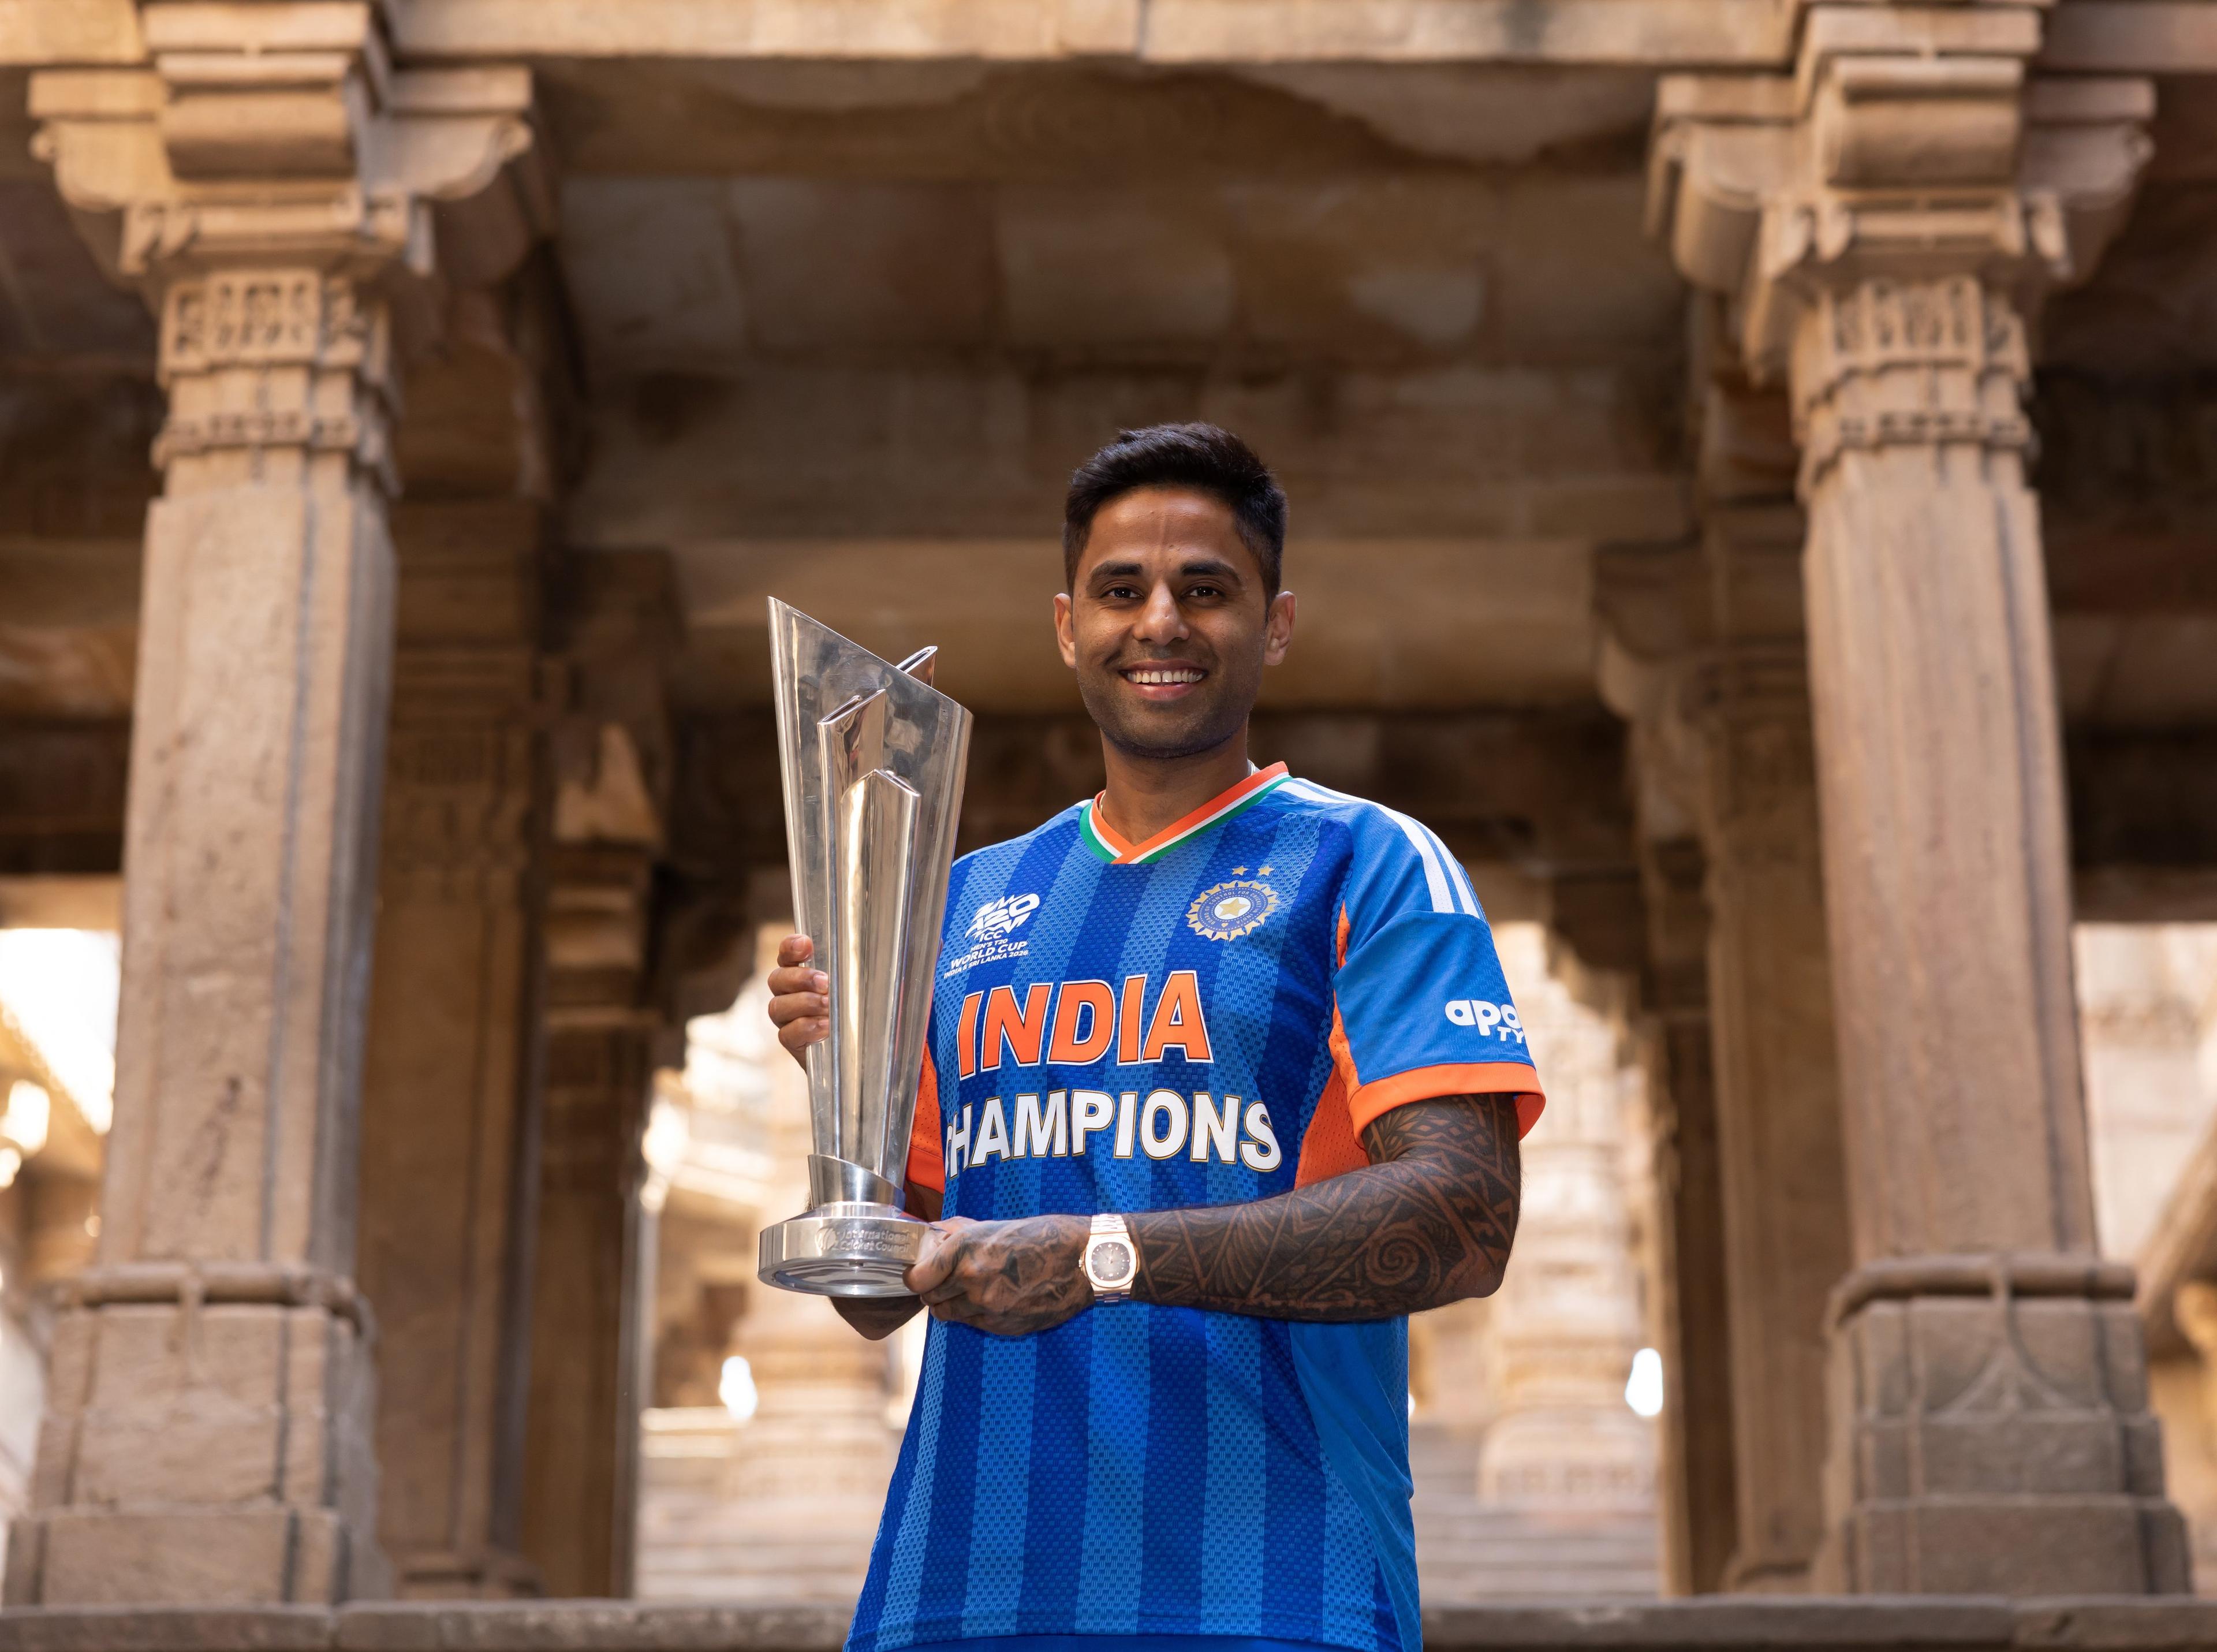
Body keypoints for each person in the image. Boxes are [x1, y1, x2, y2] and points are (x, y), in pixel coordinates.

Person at [767, 423, 1542, 1652]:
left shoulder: (1370, 862)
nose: (1162, 622)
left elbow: (1463, 1219)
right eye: (1121, 590)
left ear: (1274, 625)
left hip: (1281, 1591)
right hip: (957, 1594)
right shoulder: (958, 902)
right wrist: (843, 1093)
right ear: (1069, 624)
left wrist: (1107, 1255)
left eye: (1207, 590)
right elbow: (881, 1295)